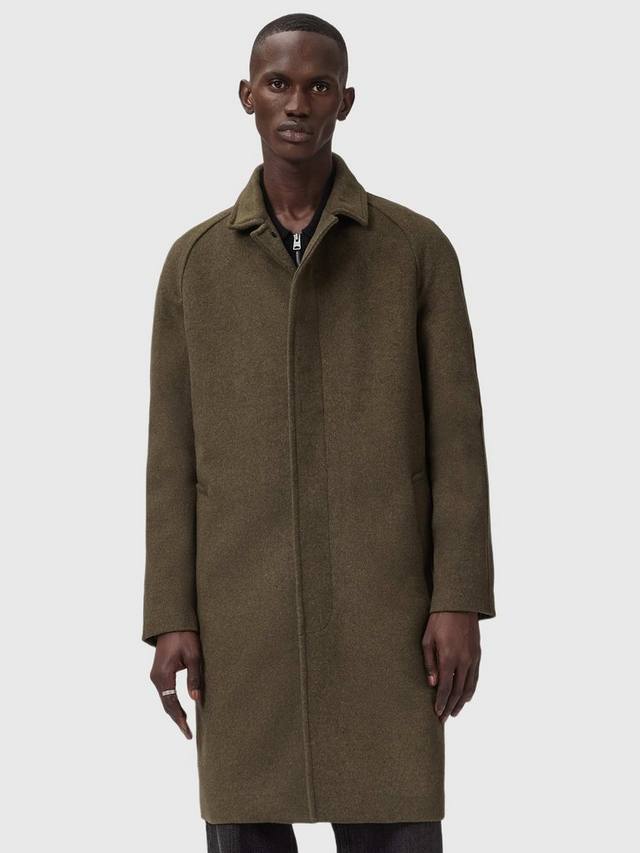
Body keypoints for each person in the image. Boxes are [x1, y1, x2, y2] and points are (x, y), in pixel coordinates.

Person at [142, 12, 496, 853]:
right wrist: (170, 612)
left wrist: (458, 596)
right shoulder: (195, 264)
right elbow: (170, 458)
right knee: (246, 819)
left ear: (346, 100)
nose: (297, 103)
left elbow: (458, 444)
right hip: (242, 618)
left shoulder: (415, 251)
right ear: (246, 96)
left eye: (318, 85)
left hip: (385, 610)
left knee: (396, 815)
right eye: (279, 83)